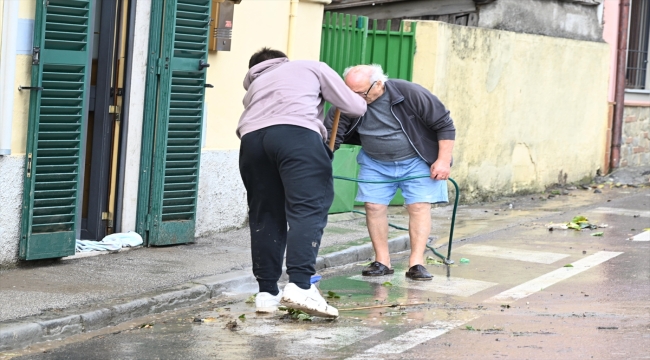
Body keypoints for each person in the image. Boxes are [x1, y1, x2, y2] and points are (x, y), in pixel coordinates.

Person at [237, 48, 367, 317]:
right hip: (296, 137)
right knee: (307, 209)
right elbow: (355, 107)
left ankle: (267, 293)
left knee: (265, 216)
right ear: (283, 59)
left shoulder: (254, 86)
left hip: (251, 143)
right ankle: (300, 285)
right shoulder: (310, 66)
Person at [326, 64, 455, 281]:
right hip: (375, 161)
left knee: (418, 206)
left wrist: (443, 160)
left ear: (378, 84)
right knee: (373, 206)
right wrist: (321, 161)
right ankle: (382, 261)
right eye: (349, 92)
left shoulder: (409, 93)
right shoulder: (349, 102)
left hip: (416, 159)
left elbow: (444, 124)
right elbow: (332, 134)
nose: (354, 98)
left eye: (359, 93)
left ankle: (416, 263)